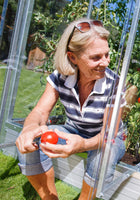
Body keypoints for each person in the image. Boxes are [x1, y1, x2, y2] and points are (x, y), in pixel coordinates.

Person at [15, 18, 127, 200]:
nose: (106, 62)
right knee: (32, 138)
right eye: (96, 57)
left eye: (107, 55)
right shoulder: (61, 77)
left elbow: (108, 135)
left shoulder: (113, 84)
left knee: (103, 156)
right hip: (75, 129)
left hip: (108, 137)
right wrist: (28, 129)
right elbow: (40, 112)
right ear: (72, 57)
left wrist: (82, 144)